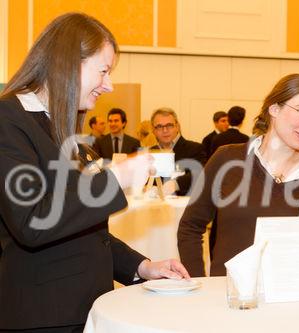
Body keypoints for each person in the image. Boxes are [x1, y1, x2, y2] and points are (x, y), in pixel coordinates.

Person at [0, 13, 190, 332]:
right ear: (68, 62)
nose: (109, 85)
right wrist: (115, 178)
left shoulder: (69, 134)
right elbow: (32, 221)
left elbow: (85, 232)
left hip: (88, 310)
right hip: (43, 318)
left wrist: (142, 266)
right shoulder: (9, 121)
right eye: (103, 71)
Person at [178, 73, 299, 279]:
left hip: (291, 303)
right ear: (274, 109)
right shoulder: (227, 159)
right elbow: (191, 226)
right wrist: (199, 285)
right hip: (230, 301)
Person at [150, 107, 207, 196]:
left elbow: (201, 172)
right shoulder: (151, 152)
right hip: (156, 206)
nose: (165, 130)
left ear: (177, 126)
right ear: (154, 130)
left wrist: (177, 184)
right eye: (159, 126)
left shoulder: (195, 148)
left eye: (169, 125)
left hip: (186, 206)